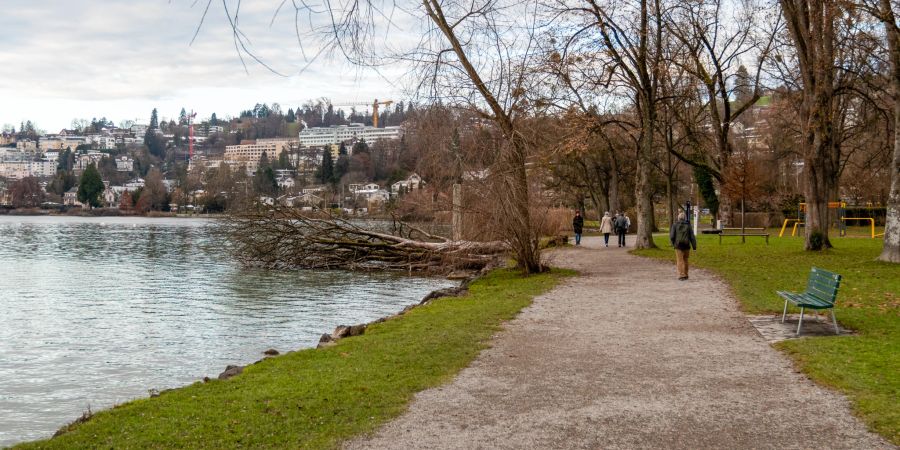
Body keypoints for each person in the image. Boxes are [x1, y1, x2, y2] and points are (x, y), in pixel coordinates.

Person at [669, 211, 697, 280]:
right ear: (685, 218)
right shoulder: (688, 225)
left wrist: (673, 244)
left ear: (678, 218)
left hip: (678, 245)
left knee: (679, 260)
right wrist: (694, 247)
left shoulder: (675, 225)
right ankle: (686, 274)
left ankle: (681, 275)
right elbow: (692, 237)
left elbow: (672, 236)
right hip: (686, 245)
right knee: (686, 260)